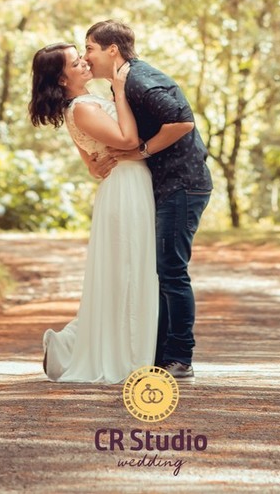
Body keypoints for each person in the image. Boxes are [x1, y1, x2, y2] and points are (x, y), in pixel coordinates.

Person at [83, 20, 212, 380]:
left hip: (183, 184)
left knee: (171, 270)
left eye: (90, 47)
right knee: (161, 269)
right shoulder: (123, 82)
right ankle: (159, 354)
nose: (86, 56)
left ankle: (180, 357)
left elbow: (182, 121)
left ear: (112, 49)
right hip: (169, 186)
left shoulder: (137, 79)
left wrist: (141, 151)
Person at [28, 41, 160, 382]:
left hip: (127, 182)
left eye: (81, 57)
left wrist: (98, 165)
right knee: (126, 272)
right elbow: (128, 140)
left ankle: (72, 344)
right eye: (75, 63)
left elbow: (91, 164)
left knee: (125, 273)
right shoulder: (83, 108)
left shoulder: (83, 105)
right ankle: (109, 353)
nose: (85, 62)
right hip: (125, 188)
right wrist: (119, 90)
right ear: (60, 79)